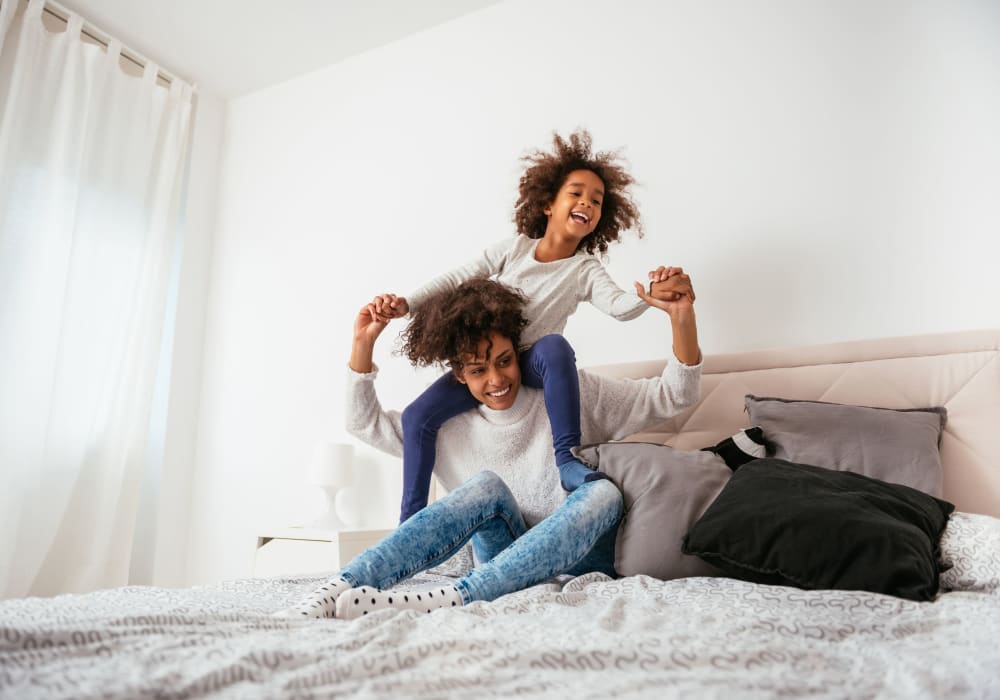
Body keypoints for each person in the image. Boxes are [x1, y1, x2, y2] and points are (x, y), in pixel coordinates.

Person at [278, 274, 700, 619]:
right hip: (502, 561)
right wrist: (362, 345)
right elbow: (363, 423)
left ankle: (456, 598)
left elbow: (671, 397)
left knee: (604, 491)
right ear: (459, 376)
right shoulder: (446, 428)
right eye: (479, 370)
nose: (496, 380)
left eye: (504, 361)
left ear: (518, 353)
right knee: (485, 486)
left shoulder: (570, 393)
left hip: (583, 558)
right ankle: (340, 587)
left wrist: (682, 318)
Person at [373, 129, 684, 524]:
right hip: (492, 360)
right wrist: (405, 304)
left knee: (555, 347)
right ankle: (411, 520)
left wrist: (648, 294)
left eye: (597, 200)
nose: (587, 202)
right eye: (576, 193)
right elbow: (458, 277)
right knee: (417, 416)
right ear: (548, 204)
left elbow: (619, 306)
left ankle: (567, 459)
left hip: (532, 363)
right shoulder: (514, 249)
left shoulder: (585, 269)